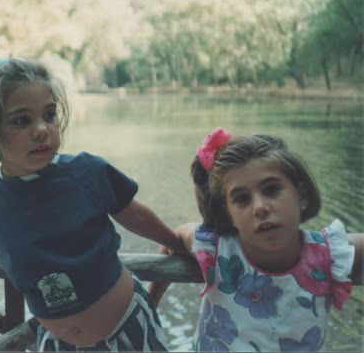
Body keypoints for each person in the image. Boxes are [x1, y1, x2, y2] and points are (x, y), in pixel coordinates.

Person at [0, 56, 184, 351]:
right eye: (21, 120)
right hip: (59, 344)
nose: (42, 129)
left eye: (49, 115)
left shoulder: (86, 172)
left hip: (129, 327)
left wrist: (175, 242)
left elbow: (135, 215)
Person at [149, 127, 364, 352]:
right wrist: (150, 305)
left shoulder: (328, 254)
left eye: (271, 190)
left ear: (301, 194)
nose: (260, 207)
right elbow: (173, 240)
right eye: (242, 199)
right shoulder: (216, 249)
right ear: (228, 213)